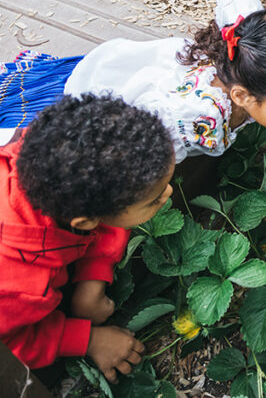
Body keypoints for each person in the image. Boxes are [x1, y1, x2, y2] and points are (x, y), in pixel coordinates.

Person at [0, 0, 266, 161]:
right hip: (95, 100)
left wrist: (243, 23)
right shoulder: (193, 119)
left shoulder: (245, 48)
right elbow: (131, 150)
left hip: (125, 65)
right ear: (242, 95)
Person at [0, 94, 175, 379]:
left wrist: (92, 279)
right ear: (85, 221)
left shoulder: (51, 156)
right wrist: (87, 339)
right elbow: (11, 345)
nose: (167, 195)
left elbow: (105, 210)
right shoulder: (20, 289)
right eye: (152, 201)